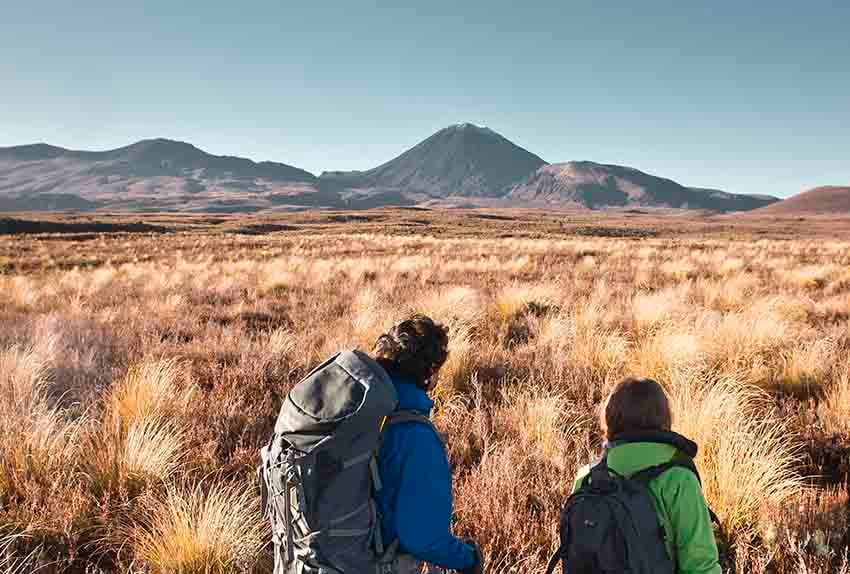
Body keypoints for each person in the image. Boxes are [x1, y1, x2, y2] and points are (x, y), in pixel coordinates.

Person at [571, 377, 721, 574]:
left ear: (609, 418)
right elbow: (700, 566)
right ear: (664, 418)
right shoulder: (679, 479)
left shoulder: (587, 478)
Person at [373, 315, 483, 574]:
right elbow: (423, 538)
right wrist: (469, 559)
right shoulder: (415, 435)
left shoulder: (362, 412)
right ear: (431, 370)